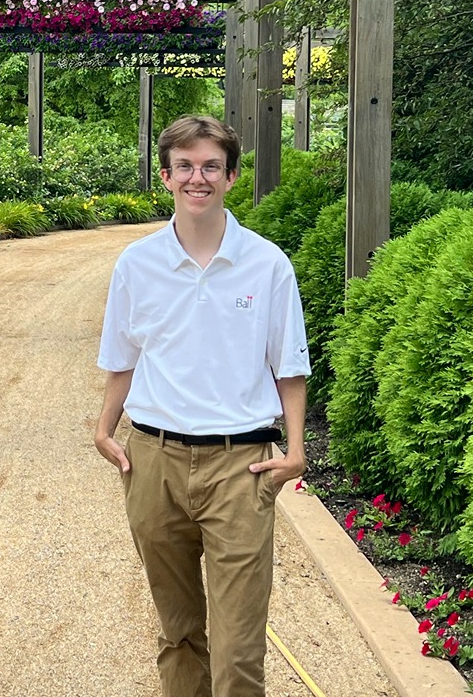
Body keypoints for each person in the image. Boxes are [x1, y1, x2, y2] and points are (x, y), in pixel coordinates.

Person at [94, 114, 310, 697]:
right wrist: (103, 430)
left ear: (231, 177)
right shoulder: (137, 264)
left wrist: (295, 452)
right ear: (165, 176)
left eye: (211, 166)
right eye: (185, 166)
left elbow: (289, 368)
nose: (198, 178)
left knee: (239, 648)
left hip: (239, 469)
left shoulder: (267, 264)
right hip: (153, 461)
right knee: (180, 633)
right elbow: (122, 357)